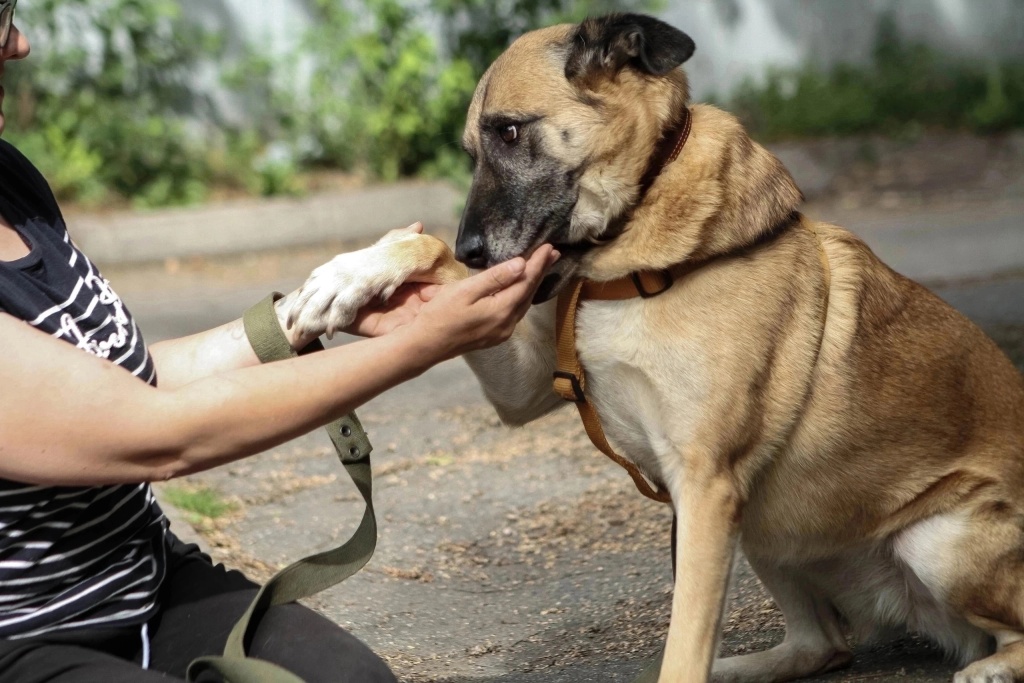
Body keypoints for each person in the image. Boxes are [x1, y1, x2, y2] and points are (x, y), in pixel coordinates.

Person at [0, 11, 558, 683]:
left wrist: (307, 313)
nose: (19, 41)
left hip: (143, 585)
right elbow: (153, 435)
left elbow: (119, 382)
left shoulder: (10, 183)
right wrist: (425, 345)